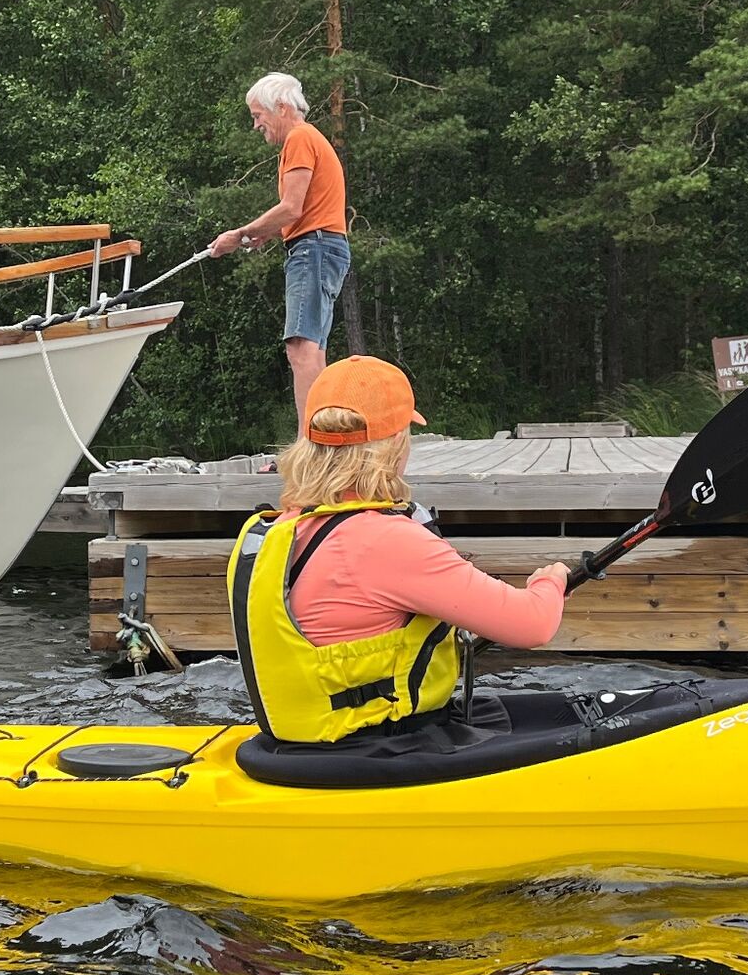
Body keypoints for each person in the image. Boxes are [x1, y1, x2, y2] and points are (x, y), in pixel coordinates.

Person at [227, 356, 571, 743]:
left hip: (300, 745)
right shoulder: (384, 540)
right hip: (377, 749)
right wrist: (551, 580)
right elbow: (533, 623)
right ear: (393, 444)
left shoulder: (281, 529)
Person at [210, 72, 350, 430]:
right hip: (323, 247)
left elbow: (291, 208)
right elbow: (304, 210)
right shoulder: (310, 138)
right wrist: (268, 233)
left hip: (313, 250)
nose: (256, 125)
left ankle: (310, 444)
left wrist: (239, 234)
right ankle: (322, 439)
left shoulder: (299, 138)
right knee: (313, 350)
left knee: (301, 349)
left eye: (258, 115)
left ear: (282, 107)